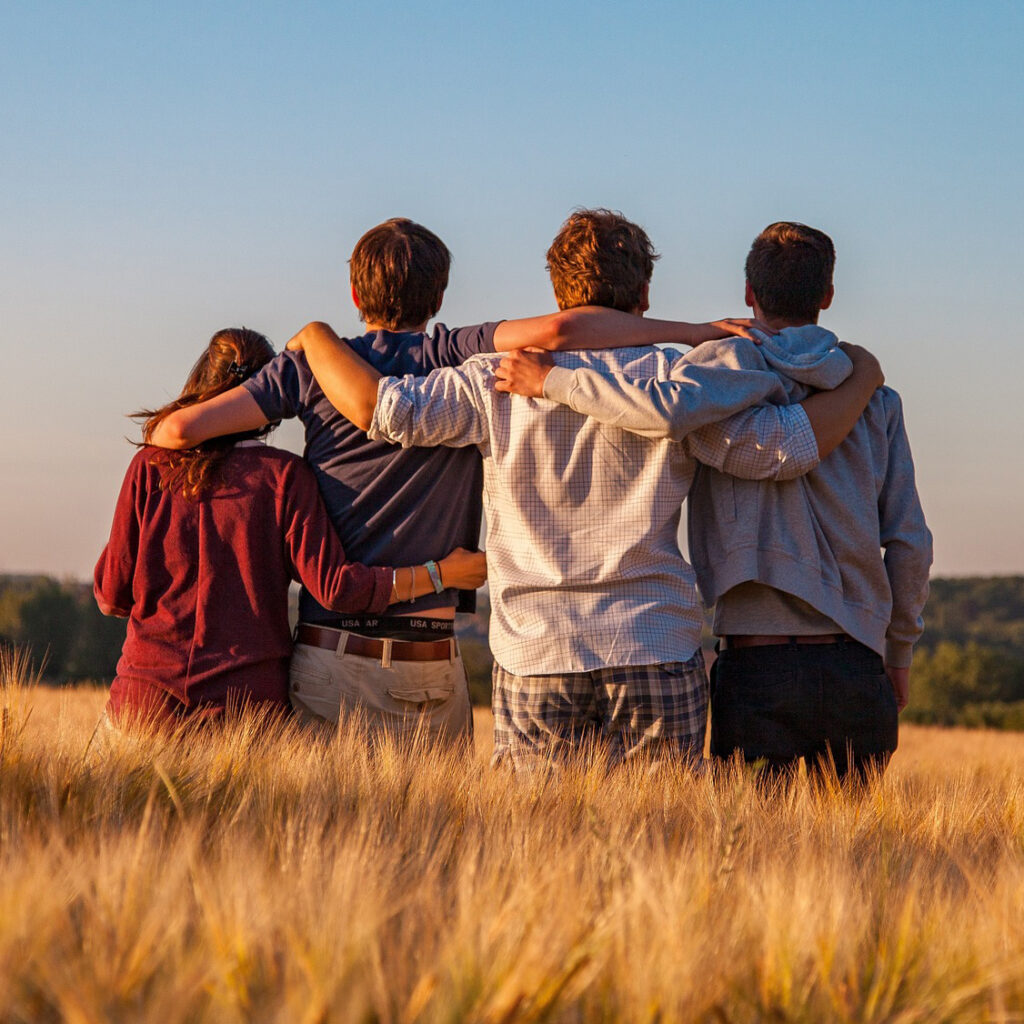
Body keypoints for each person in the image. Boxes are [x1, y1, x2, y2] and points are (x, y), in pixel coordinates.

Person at [286, 209, 884, 769]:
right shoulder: (679, 381)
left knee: (537, 850)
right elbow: (780, 451)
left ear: (557, 295)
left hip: (535, 650)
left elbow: (387, 412)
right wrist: (861, 380)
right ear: (644, 296)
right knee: (663, 845)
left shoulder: (491, 379)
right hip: (653, 640)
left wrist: (316, 337)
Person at [146, 217, 767, 745]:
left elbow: (177, 434)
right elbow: (561, 331)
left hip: (335, 650)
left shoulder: (312, 368)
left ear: (355, 293)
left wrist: (309, 341)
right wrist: (696, 332)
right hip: (436, 654)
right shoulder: (454, 352)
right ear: (439, 296)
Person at [498, 221, 931, 781]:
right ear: (827, 296)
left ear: (749, 293)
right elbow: (909, 541)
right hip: (857, 661)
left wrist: (554, 381)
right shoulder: (876, 398)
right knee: (855, 859)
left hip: (755, 663)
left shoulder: (711, 379)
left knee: (749, 856)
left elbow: (660, 410)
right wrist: (898, 651)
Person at [94, 327, 487, 730]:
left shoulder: (150, 467)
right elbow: (337, 588)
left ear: (201, 382)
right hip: (246, 713)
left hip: (144, 704)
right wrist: (441, 574)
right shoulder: (284, 477)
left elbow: (111, 596)